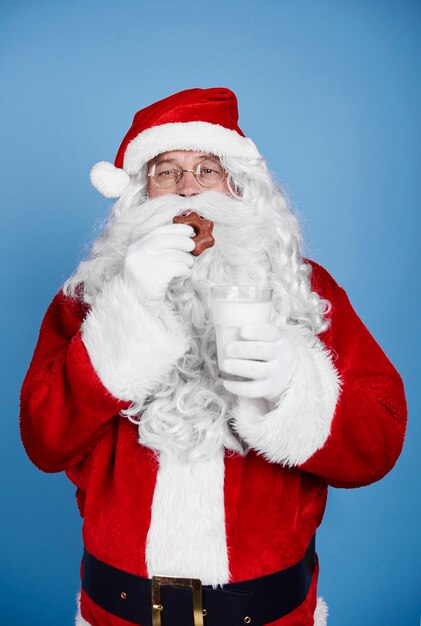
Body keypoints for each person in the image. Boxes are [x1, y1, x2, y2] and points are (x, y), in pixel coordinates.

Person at [20, 87, 407, 626]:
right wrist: (126, 308)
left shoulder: (305, 289)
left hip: (268, 615)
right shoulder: (88, 298)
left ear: (238, 186)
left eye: (207, 170)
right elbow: (43, 440)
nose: (188, 192)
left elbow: (379, 444)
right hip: (119, 614)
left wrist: (294, 383)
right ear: (140, 194)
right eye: (166, 172)